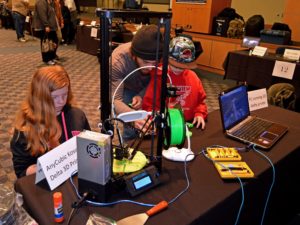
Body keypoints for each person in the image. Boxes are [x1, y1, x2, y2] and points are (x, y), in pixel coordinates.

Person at [10, 65, 91, 178]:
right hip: (44, 187)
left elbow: (87, 147)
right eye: (54, 97)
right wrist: (54, 165)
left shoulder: (77, 115)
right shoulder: (26, 127)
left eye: (65, 94)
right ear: (39, 97)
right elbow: (22, 171)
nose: (61, 102)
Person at [142, 35, 208, 129]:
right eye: (175, 66)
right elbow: (149, 105)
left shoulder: (193, 77)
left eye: (183, 67)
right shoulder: (160, 77)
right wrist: (156, 118)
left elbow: (200, 102)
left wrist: (199, 113)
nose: (179, 69)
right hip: (166, 126)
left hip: (189, 123)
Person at [111, 24, 163, 140]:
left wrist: (141, 95)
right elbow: (115, 100)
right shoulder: (117, 62)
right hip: (128, 87)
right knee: (132, 124)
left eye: (154, 63)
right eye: (145, 62)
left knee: (157, 124)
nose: (150, 68)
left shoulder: (162, 56)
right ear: (133, 55)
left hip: (153, 85)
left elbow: (157, 81)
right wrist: (133, 117)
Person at [32, 0, 59, 65]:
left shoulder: (50, 1)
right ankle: (47, 59)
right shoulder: (41, 2)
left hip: (51, 26)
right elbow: (42, 15)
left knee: (53, 41)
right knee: (46, 43)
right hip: (44, 26)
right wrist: (46, 25)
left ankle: (52, 57)